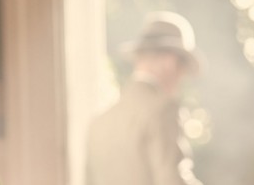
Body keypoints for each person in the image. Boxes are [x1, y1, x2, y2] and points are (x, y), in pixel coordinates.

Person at [85, 11, 203, 185]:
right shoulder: (163, 110)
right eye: (182, 68)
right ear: (170, 61)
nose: (181, 78)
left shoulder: (99, 123)